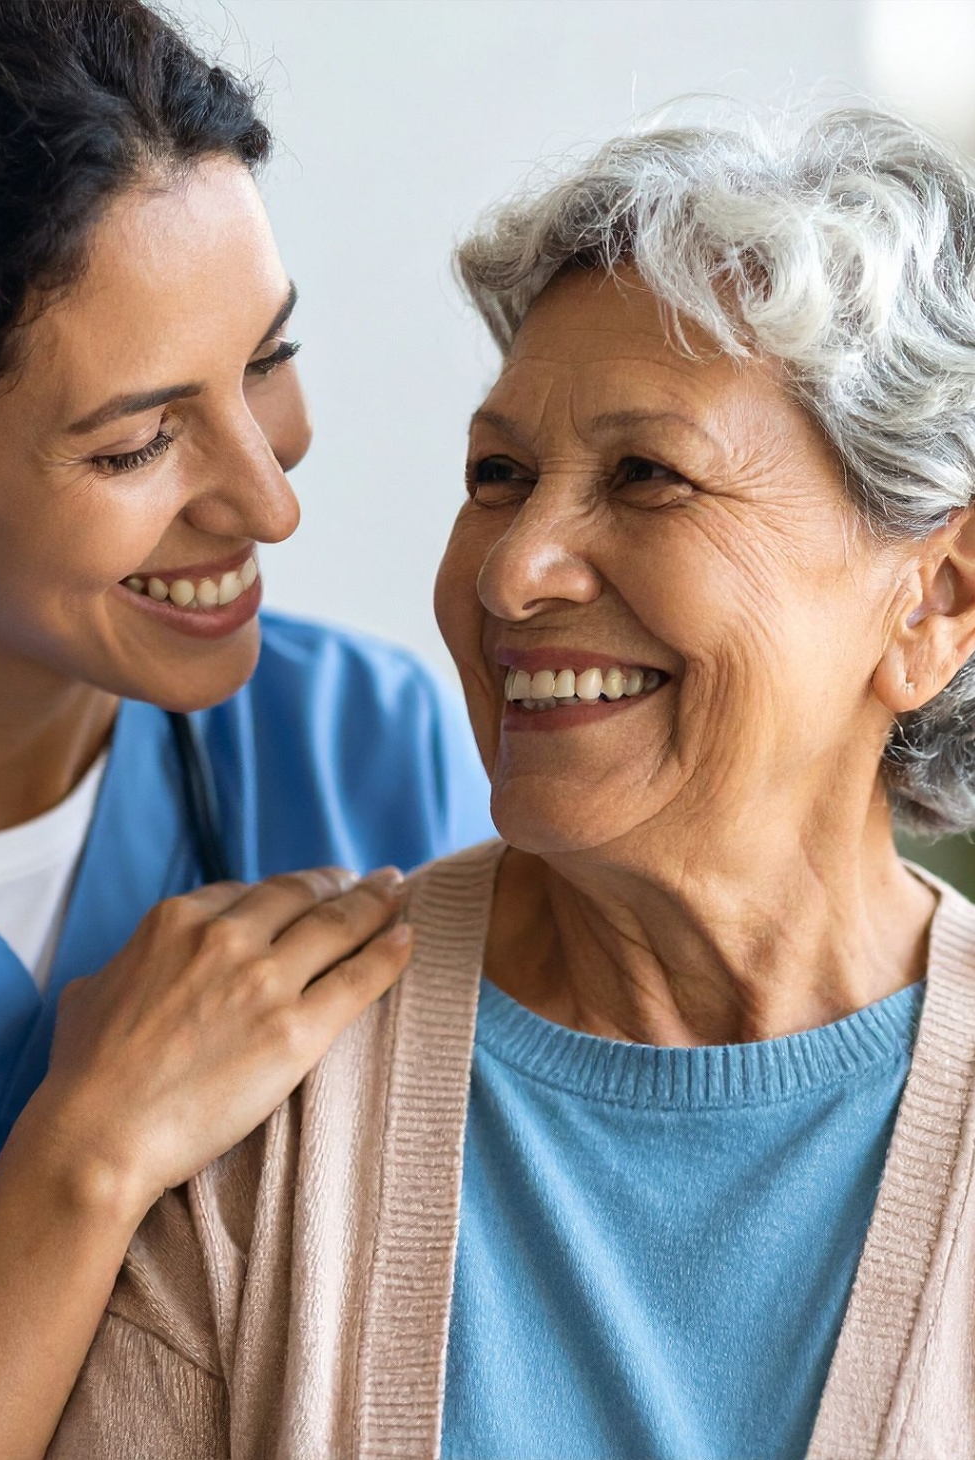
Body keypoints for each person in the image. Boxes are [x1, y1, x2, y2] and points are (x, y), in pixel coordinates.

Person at [47, 103, 975, 1460]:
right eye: (499, 475)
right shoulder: (265, 1103)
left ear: (933, 605)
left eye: (649, 476)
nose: (510, 569)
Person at [0, 1, 491, 1456]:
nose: (271, 501)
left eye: (268, 357)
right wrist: (89, 1158)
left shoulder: (366, 753)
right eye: (140, 441)